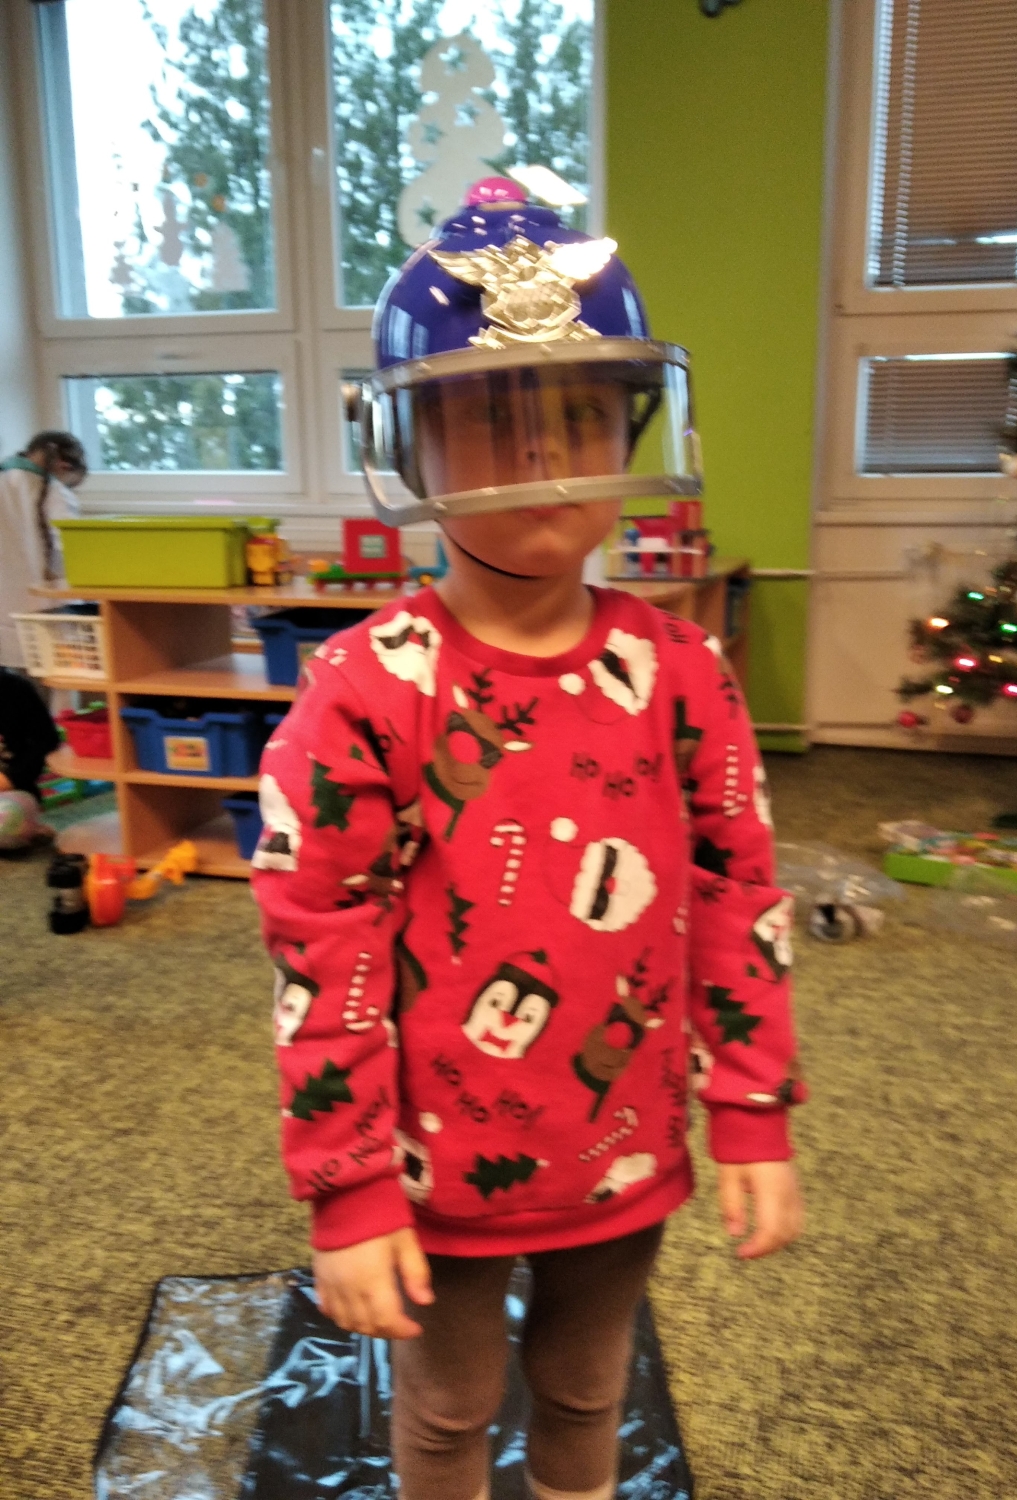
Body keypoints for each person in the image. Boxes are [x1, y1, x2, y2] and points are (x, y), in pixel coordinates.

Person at [251, 179, 805, 1500]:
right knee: (447, 1412)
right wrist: (347, 1184)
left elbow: (738, 891)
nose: (544, 455)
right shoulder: (363, 688)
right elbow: (318, 941)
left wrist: (750, 1107)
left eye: (577, 416)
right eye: (492, 421)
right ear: (412, 447)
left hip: (623, 1142)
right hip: (433, 1165)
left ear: (631, 426)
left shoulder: (685, 674)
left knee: (586, 1386)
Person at [0, 429, 86, 669]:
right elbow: (70, 551)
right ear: (64, 467)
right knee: (57, 671)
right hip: (45, 610)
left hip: (4, 612)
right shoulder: (56, 493)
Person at [0, 667, 59, 850]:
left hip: (11, 792)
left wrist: (12, 778)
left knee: (8, 822)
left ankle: (27, 827)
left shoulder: (15, 688)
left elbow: (46, 739)